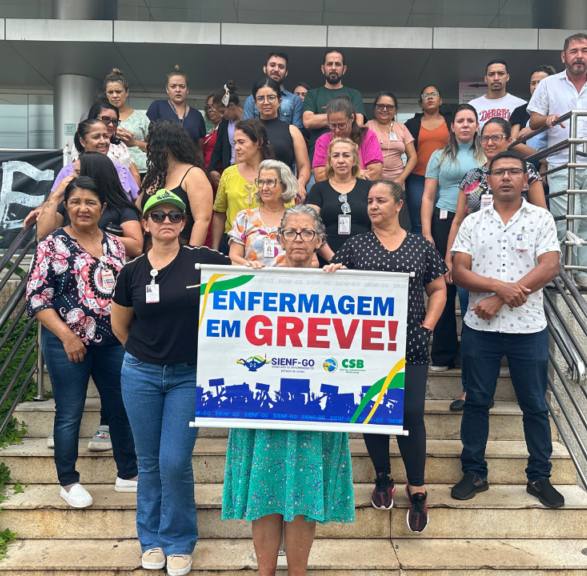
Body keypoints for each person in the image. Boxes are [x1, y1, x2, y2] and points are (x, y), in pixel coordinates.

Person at [222, 204, 354, 576]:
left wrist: (345, 282)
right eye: (291, 232)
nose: (299, 239)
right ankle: (265, 572)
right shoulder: (257, 280)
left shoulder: (342, 283)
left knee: (304, 495)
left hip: (316, 408)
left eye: (307, 232)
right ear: (279, 238)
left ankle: (298, 572)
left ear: (320, 240)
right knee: (265, 493)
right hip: (262, 406)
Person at [111, 189, 231, 576]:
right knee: (148, 463)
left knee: (174, 461)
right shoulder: (131, 272)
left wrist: (321, 270)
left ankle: (179, 541)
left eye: (174, 216)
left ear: (184, 223)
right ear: (145, 223)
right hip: (140, 374)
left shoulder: (203, 260)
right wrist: (145, 355)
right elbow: (119, 323)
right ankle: (151, 540)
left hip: (187, 375)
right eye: (158, 215)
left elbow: (252, 270)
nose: (166, 222)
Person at [329, 180, 448, 533]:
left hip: (410, 344)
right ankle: (383, 476)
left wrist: (427, 326)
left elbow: (439, 288)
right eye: (369, 200)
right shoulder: (356, 245)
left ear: (399, 205)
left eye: (381, 199)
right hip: (366, 349)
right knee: (373, 410)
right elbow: (331, 289)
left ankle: (417, 486)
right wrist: (333, 275)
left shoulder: (419, 246)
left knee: (410, 413)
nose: (373, 205)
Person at [448, 151, 564, 510]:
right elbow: (460, 272)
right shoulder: (473, 221)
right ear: (489, 179)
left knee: (533, 404)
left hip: (528, 328)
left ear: (525, 179)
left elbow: (550, 266)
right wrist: (502, 289)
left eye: (514, 171)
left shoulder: (541, 219)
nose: (507, 177)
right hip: (480, 327)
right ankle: (474, 471)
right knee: (476, 402)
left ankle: (539, 476)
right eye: (499, 172)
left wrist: (497, 297)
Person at [26, 176, 139, 509]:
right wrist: (67, 336)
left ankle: (128, 473)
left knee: (121, 408)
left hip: (112, 342)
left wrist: (127, 335)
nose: (83, 208)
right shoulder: (51, 244)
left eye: (91, 202)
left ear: (103, 208)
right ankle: (68, 481)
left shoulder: (116, 246)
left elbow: (123, 295)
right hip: (66, 344)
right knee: (69, 412)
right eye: (76, 202)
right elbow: (36, 297)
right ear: (66, 207)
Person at [528, 33, 587, 291]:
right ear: (563, 56)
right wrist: (547, 119)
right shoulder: (548, 85)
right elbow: (534, 120)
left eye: (584, 50)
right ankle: (559, 274)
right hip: (561, 162)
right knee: (563, 221)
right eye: (574, 51)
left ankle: (582, 275)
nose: (579, 55)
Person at [420, 103, 483, 372]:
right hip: (443, 222)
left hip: (478, 224)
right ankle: (444, 355)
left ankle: (474, 355)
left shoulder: (486, 156)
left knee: (473, 288)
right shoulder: (438, 155)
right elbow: (427, 196)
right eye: (460, 120)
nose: (465, 125)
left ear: (477, 125)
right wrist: (426, 232)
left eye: (470, 120)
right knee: (443, 286)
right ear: (452, 126)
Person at [33, 152, 145, 258]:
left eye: (77, 172)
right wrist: (56, 195)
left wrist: (95, 236)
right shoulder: (70, 205)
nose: (72, 176)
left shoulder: (122, 209)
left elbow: (136, 248)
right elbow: (43, 233)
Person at [139, 121, 214, 247]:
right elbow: (138, 211)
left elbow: (202, 221)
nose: (147, 147)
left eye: (151, 143)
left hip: (182, 249)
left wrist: (189, 256)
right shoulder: (152, 175)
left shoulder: (193, 174)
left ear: (166, 145)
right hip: (150, 251)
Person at [211, 119, 280, 252]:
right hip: (231, 243)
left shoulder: (277, 173)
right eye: (235, 142)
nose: (236, 147)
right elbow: (219, 214)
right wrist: (214, 250)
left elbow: (287, 214)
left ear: (258, 142)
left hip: (267, 245)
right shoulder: (228, 174)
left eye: (241, 142)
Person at [307, 138, 373, 260]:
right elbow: (311, 226)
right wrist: (334, 259)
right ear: (330, 161)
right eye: (336, 156)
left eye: (346, 155)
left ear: (354, 161)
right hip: (327, 260)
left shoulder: (369, 187)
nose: (341, 160)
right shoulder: (318, 189)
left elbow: (378, 226)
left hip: (365, 257)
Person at [228, 160, 297, 267]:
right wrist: (249, 265)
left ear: (284, 185)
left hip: (286, 280)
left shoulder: (297, 219)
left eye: (270, 182)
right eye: (261, 182)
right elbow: (234, 256)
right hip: (251, 279)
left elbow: (311, 260)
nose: (264, 188)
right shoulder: (245, 217)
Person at [404, 86, 452, 236]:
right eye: (426, 95)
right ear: (421, 103)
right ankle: (420, 258)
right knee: (418, 224)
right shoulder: (410, 125)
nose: (430, 97)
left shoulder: (451, 122)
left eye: (434, 94)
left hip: (445, 180)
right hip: (418, 180)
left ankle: (440, 258)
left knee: (442, 222)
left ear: (441, 100)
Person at [302, 49, 366, 158]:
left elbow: (358, 123)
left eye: (337, 64)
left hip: (348, 159)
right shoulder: (312, 94)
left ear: (344, 69)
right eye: (329, 64)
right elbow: (308, 121)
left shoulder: (354, 94)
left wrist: (321, 119)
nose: (333, 68)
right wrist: (343, 118)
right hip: (319, 160)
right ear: (323, 68)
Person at [53, 119, 140, 199]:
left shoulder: (122, 170)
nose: (103, 141)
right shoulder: (67, 172)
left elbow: (136, 204)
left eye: (106, 136)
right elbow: (51, 202)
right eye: (96, 137)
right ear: (82, 142)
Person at [252, 77, 311, 194]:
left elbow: (304, 165)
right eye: (260, 98)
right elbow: (239, 166)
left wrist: (300, 183)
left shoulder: (292, 131)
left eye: (271, 97)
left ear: (279, 101)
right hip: (253, 191)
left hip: (285, 193)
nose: (266, 102)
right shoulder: (248, 131)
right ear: (255, 103)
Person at [311, 97, 383, 183]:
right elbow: (319, 177)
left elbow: (376, 173)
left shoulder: (368, 136)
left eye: (342, 125)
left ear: (352, 118)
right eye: (332, 125)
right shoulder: (323, 140)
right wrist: (356, 172)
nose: (337, 130)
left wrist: (337, 174)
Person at [147, 65, 207, 155]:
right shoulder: (157, 106)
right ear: (167, 89)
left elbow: (199, 149)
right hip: (163, 163)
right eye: (173, 86)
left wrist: (201, 168)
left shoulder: (196, 115)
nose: (178, 90)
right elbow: (148, 140)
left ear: (187, 90)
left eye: (182, 86)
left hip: (190, 164)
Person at [241, 51, 304, 129]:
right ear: (265, 68)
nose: (276, 69)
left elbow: (298, 132)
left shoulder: (295, 100)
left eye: (281, 67)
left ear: (286, 73)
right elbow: (247, 130)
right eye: (272, 65)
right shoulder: (251, 99)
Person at [509, 64, 557, 165]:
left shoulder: (559, 108)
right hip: (529, 166)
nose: (536, 87)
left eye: (540, 83)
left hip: (555, 164)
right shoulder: (520, 111)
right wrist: (543, 159)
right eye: (533, 83)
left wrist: (532, 128)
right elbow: (512, 143)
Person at [367, 92, 417, 188]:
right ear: (375, 108)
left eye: (389, 107)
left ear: (395, 110)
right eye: (381, 106)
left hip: (396, 183)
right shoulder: (367, 127)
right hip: (372, 182)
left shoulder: (402, 128)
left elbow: (413, 157)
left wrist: (400, 180)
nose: (384, 109)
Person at [104, 67, 149, 172]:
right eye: (110, 92)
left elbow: (155, 148)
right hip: (110, 170)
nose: (115, 95)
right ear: (106, 94)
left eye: (118, 91)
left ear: (127, 92)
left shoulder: (141, 117)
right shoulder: (101, 117)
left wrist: (133, 142)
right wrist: (112, 135)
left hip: (142, 170)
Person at [468, 59, 526, 129]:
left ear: (507, 77)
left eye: (501, 73)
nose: (496, 78)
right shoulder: (473, 106)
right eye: (491, 74)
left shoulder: (521, 105)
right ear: (485, 79)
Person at [207, 81, 244, 187]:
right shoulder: (225, 123)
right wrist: (212, 169)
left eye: (222, 111)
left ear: (231, 106)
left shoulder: (250, 120)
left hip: (248, 172)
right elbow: (218, 147)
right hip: (230, 171)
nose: (221, 116)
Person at [203, 92, 225, 174]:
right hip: (207, 173)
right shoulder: (210, 131)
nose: (210, 109)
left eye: (214, 106)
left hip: (219, 173)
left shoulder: (226, 130)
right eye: (208, 107)